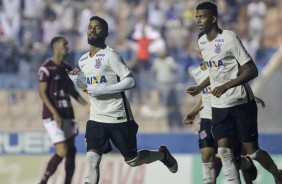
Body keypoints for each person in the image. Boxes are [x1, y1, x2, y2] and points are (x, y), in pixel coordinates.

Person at [67, 16, 178, 184]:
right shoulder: (83, 60)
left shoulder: (111, 56)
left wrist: (104, 89)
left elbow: (130, 81)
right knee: (91, 159)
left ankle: (162, 154)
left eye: (97, 28)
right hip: (97, 117)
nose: (92, 30)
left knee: (133, 160)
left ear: (105, 33)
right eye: (90, 27)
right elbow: (90, 88)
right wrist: (77, 81)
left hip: (118, 116)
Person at [187, 1, 282, 184]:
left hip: (240, 103)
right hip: (219, 105)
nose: (198, 20)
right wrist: (200, 87)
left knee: (252, 152)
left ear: (214, 18)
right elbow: (215, 74)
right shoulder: (201, 42)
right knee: (224, 151)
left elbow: (251, 70)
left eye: (203, 16)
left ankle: (277, 173)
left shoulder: (229, 39)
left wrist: (226, 86)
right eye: (197, 17)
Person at [184, 47, 257, 184]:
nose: (201, 51)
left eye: (203, 48)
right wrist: (194, 113)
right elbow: (204, 96)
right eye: (199, 49)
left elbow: (237, 84)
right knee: (206, 155)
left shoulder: (222, 67)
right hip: (206, 118)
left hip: (225, 115)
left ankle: (247, 164)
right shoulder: (197, 72)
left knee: (231, 159)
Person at [38, 36, 88, 184]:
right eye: (64, 44)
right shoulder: (46, 68)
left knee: (71, 151)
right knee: (62, 151)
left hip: (67, 114)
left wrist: (87, 105)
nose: (67, 46)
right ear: (56, 47)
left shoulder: (67, 68)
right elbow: (42, 93)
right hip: (53, 116)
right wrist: (54, 113)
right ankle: (43, 181)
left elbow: (73, 91)